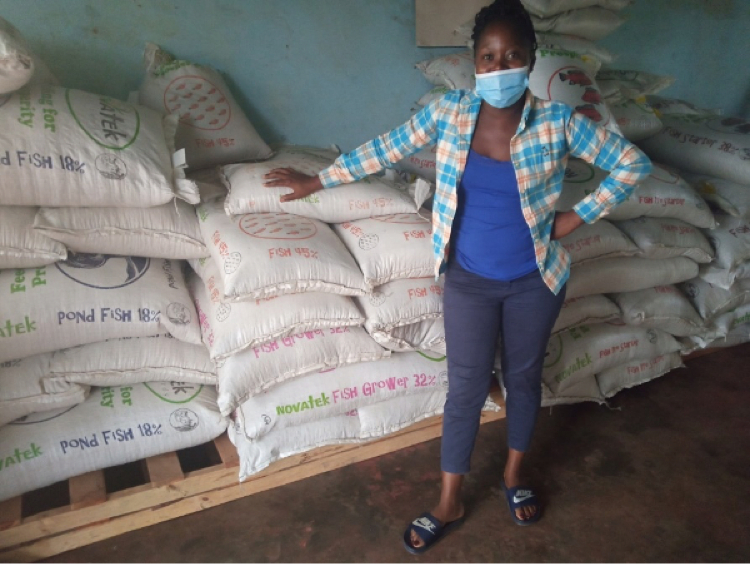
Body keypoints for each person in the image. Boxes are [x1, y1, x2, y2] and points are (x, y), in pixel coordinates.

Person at [264, 0, 652, 555]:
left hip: (535, 280)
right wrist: (317, 182)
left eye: (512, 56)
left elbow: (632, 164)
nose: (500, 68)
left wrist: (575, 217)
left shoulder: (558, 122)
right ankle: (450, 498)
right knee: (465, 389)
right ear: (474, 64)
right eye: (489, 58)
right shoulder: (449, 113)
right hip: (469, 280)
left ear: (532, 60)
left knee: (522, 381)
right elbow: (386, 148)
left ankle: (514, 477)